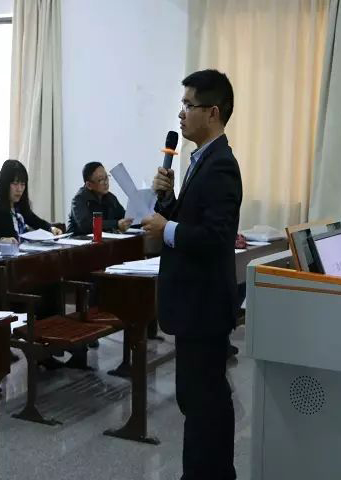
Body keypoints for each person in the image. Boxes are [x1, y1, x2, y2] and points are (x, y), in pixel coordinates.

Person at [142, 69, 242, 480]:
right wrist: (168, 198)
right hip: (196, 304)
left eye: (188, 105)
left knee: (204, 401)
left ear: (212, 112)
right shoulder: (201, 160)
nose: (181, 114)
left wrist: (166, 228)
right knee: (198, 399)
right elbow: (194, 219)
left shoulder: (221, 166)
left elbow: (215, 238)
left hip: (203, 306)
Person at [0, 159, 62, 242]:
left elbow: (36, 221)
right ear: (4, 184)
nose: (19, 189)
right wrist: (2, 240)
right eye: (15, 183)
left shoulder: (20, 206)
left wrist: (51, 229)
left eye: (23, 184)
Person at [67, 162, 133, 235]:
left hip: (104, 239)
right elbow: (86, 225)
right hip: (78, 240)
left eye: (106, 178)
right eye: (101, 180)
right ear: (89, 185)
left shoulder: (110, 197)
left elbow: (124, 216)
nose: (106, 183)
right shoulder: (78, 199)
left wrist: (137, 220)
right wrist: (116, 224)